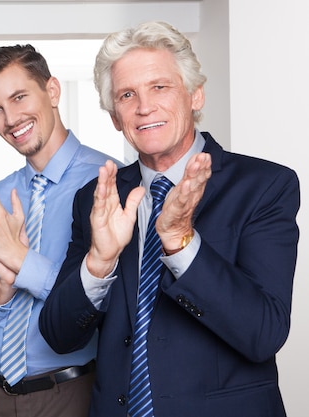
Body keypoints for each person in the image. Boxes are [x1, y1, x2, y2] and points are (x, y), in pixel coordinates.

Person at [38, 21, 300, 417]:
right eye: (127, 95)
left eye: (160, 87)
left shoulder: (265, 186)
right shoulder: (96, 199)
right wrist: (99, 262)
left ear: (195, 95)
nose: (144, 107)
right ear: (114, 117)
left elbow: (263, 334)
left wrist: (180, 241)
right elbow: (58, 334)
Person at [0, 44, 121, 417]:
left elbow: (109, 304)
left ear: (52, 91)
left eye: (19, 97)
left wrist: (21, 260)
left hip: (71, 392)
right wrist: (2, 289)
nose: (10, 118)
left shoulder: (110, 181)